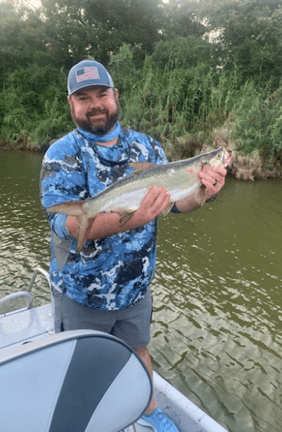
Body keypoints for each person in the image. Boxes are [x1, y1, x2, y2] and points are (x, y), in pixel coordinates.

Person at [40, 60, 227, 432]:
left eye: (102, 94)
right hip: (82, 296)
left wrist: (203, 191)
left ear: (115, 96)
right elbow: (62, 222)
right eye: (84, 97)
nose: (95, 103)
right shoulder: (61, 154)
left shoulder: (147, 146)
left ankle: (148, 409)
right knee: (82, 369)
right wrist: (132, 217)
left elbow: (177, 202)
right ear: (71, 104)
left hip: (135, 290)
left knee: (140, 352)